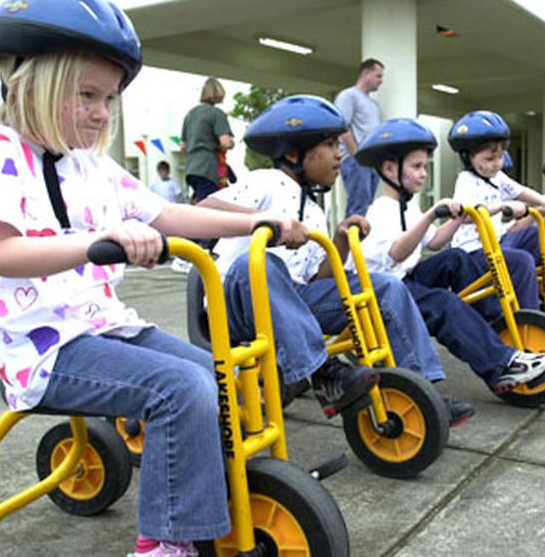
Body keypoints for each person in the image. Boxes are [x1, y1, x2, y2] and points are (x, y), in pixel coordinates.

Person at [0, 0, 309, 555]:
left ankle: (208, 501)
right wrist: (96, 243)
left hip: (103, 326)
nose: (100, 113)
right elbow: (2, 253)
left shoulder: (90, 166)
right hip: (35, 345)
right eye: (86, 95)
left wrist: (257, 218)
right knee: (180, 389)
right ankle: (166, 542)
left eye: (109, 99)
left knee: (218, 379)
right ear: (30, 85)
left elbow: (166, 214)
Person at [198, 95, 471, 426]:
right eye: (330, 145)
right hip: (237, 305)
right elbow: (204, 209)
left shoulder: (313, 209)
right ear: (294, 153)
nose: (340, 155)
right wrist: (266, 220)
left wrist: (339, 239)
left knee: (385, 286)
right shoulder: (266, 182)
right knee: (264, 265)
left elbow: (319, 277)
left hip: (292, 301)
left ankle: (420, 390)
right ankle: (324, 373)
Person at [353, 118, 545, 399]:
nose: (424, 174)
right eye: (417, 167)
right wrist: (432, 214)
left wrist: (456, 220)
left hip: (405, 279)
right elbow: (396, 253)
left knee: (455, 258)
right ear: (389, 169)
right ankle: (501, 363)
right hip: (384, 292)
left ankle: (497, 326)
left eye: (424, 166)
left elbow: (434, 243)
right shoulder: (381, 210)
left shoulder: (407, 208)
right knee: (445, 304)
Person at [447, 111, 545, 313]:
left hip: (498, 242)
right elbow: (465, 216)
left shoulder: (497, 176)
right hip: (474, 251)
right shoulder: (466, 181)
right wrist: (501, 208)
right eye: (489, 158)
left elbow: (521, 190)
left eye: (499, 157)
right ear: (468, 157)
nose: (496, 163)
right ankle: (529, 313)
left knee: (538, 235)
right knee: (522, 261)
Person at [334, 58, 384, 217]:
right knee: (358, 207)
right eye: (378, 76)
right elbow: (342, 127)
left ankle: (362, 241)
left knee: (367, 208)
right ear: (366, 73)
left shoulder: (373, 105)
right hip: (356, 161)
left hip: (371, 161)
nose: (381, 81)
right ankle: (349, 241)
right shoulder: (348, 96)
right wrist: (357, 155)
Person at [180, 76, 234, 204]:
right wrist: (231, 143)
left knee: (201, 202)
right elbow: (226, 142)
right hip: (208, 168)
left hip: (191, 168)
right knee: (211, 209)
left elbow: (182, 146)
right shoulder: (216, 113)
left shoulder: (190, 114)